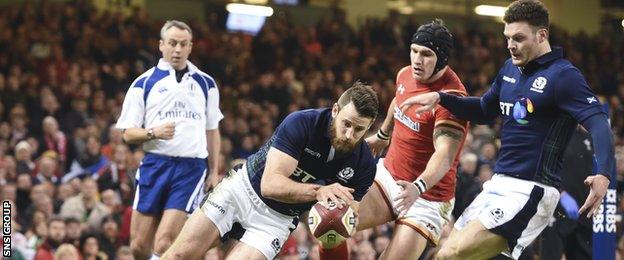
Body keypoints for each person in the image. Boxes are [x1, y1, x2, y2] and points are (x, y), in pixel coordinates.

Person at [399, 1, 615, 259]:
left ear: (542, 35)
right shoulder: (509, 68)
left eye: (519, 38)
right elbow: (483, 110)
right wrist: (442, 99)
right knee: (443, 253)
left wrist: (603, 173)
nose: (511, 45)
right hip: (497, 185)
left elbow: (598, 122)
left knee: (451, 255)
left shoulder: (563, 76)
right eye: (508, 38)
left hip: (531, 190)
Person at [162, 83, 379, 260]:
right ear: (335, 111)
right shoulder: (302, 123)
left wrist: (337, 221)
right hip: (242, 190)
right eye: (346, 124)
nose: (350, 134)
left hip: (276, 220)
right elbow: (270, 185)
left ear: (369, 127)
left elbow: (350, 213)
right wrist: (318, 192)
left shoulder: (364, 165)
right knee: (178, 256)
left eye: (359, 129)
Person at [318, 19, 468, 260]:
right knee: (330, 223)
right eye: (414, 51)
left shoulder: (452, 99)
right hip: (389, 177)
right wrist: (383, 135)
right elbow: (399, 103)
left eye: (426, 54)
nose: (417, 60)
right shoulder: (406, 74)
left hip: (427, 197)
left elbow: (445, 155)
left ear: (442, 58)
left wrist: (417, 187)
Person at [115, 20, 224, 259]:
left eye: (183, 44)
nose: (177, 49)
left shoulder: (206, 84)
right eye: (172, 43)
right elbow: (127, 133)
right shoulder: (143, 84)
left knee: (165, 242)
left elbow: (212, 130)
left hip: (191, 167)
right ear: (161, 45)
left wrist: (214, 171)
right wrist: (154, 132)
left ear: (190, 47)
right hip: (155, 164)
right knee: (138, 246)